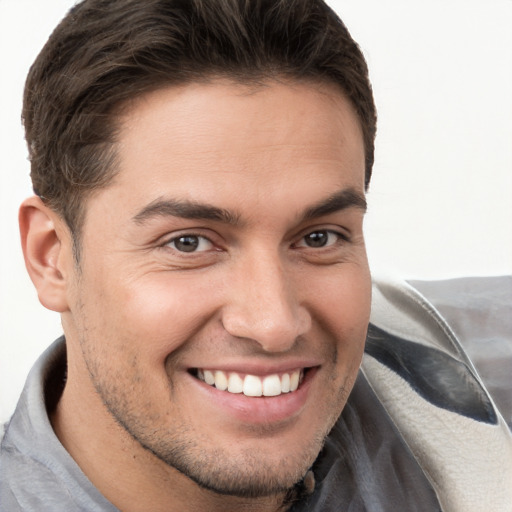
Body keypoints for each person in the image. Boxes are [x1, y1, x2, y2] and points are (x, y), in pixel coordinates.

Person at [0, 1, 510, 511]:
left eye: (319, 238)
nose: (274, 324)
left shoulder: (488, 380)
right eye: (189, 243)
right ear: (52, 257)